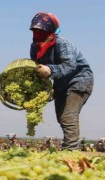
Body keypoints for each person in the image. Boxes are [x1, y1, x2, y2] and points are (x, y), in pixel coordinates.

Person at [29, 12, 94, 150]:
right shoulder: (35, 48)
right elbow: (37, 69)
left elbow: (70, 65)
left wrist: (50, 70)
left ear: (50, 32)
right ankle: (71, 150)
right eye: (35, 30)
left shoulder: (62, 43)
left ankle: (71, 153)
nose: (37, 34)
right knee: (61, 118)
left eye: (41, 31)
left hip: (79, 80)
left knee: (68, 116)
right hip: (61, 84)